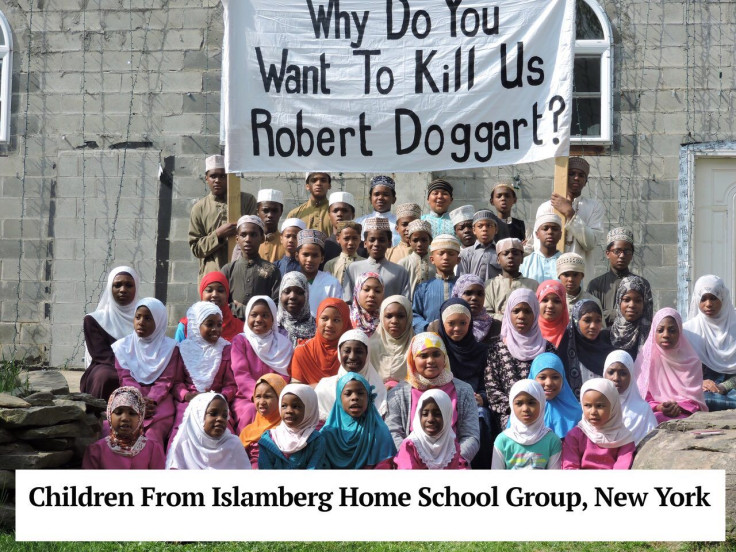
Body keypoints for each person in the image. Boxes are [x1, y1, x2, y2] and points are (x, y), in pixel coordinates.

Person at [385, 332, 480, 462]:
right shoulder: (399, 393)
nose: (430, 361)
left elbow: (471, 435)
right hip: (412, 463)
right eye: (423, 355)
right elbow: (393, 432)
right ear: (413, 359)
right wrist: (413, 459)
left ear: (444, 357)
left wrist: (453, 461)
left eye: (436, 354)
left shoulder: (464, 390)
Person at [484, 289, 555, 432]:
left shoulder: (547, 348)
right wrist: (517, 409)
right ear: (508, 313)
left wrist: (536, 409)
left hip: (544, 412)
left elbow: (554, 385)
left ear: (535, 314)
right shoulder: (497, 349)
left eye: (527, 311)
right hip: (508, 413)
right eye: (516, 311)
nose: (521, 316)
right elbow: (493, 390)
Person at [112, 298, 179, 446]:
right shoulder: (123, 347)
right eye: (138, 317)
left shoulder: (170, 348)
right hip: (131, 395)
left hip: (159, 400)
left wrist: (152, 399)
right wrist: (138, 398)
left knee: (153, 435)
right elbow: (125, 377)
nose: (141, 322)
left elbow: (166, 379)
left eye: (148, 318)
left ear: (159, 321)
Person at [437, 298, 493, 469]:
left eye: (463, 323)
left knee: (481, 417)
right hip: (444, 401)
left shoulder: (482, 351)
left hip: (475, 404)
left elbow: (489, 383)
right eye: (451, 323)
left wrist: (482, 397)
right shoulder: (438, 351)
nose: (457, 328)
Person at [171, 302, 236, 446]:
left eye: (219, 324)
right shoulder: (182, 350)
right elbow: (176, 382)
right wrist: (187, 395)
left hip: (218, 401)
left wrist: (221, 397)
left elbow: (231, 384)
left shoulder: (226, 349)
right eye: (209, 324)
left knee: (225, 434)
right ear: (196, 325)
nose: (215, 329)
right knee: (182, 432)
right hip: (189, 401)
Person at [231, 296, 293, 431]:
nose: (259, 319)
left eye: (265, 315)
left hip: (276, 398)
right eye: (254, 315)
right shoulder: (240, 341)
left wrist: (271, 397)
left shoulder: (283, 344)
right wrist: (257, 396)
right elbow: (241, 374)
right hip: (247, 397)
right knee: (251, 412)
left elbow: (285, 375)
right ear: (247, 317)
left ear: (273, 319)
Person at [188, 154, 256, 278]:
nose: (217, 180)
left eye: (222, 176)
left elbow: (256, 236)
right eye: (213, 176)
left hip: (243, 274)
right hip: (213, 276)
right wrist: (218, 235)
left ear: (229, 177)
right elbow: (196, 248)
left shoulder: (247, 201)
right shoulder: (199, 208)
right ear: (206, 178)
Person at [534, 156, 605, 273]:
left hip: (579, 274)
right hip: (551, 272)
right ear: (564, 177)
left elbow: (590, 243)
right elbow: (539, 246)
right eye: (572, 173)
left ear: (586, 182)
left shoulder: (594, 207)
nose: (576, 178)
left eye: (581, 175)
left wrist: (570, 213)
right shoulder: (546, 207)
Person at [636, 308, 707, 423]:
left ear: (680, 332)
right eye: (660, 330)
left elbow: (696, 401)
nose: (666, 335)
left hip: (685, 413)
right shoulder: (646, 360)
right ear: (653, 331)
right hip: (653, 412)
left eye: (672, 330)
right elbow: (641, 397)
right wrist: (659, 407)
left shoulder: (692, 361)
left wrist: (679, 407)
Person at [81, 266, 140, 401]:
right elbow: (102, 355)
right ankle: (98, 417)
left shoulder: (144, 317)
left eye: (129, 285)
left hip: (141, 365)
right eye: (117, 285)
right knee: (106, 377)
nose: (123, 290)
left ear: (136, 288)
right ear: (110, 288)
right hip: (107, 365)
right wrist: (130, 369)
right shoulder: (94, 320)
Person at [321, 372, 396, 469]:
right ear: (339, 399)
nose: (354, 398)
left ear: (368, 397)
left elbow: (384, 465)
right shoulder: (327, 434)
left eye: (360, 393)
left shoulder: (379, 431)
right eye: (348, 394)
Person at [684, 275, 736, 411]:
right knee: (698, 401)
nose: (708, 304)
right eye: (703, 298)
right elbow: (681, 370)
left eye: (713, 298)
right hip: (703, 388)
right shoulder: (688, 331)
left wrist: (724, 387)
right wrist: (699, 382)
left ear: (723, 298)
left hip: (732, 387)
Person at [82, 386, 165, 469]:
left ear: (141, 417)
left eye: (132, 413)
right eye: (118, 412)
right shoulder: (96, 450)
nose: (125, 418)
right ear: (109, 415)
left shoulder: (153, 449)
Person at [562, 378, 635, 470]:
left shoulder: (623, 438)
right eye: (588, 405)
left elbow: (622, 466)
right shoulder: (575, 435)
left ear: (613, 406)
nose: (593, 412)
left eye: (600, 406)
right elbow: (570, 466)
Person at [166, 393, 252, 470]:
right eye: (213, 413)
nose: (220, 419)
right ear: (198, 417)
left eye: (224, 415)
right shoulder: (183, 445)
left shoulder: (233, 444)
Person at [315, 329, 386, 421]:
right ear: (339, 353)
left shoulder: (377, 388)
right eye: (347, 351)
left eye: (359, 352)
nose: (352, 357)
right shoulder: (324, 388)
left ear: (367, 354)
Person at [221, 215, 281, 320]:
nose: (248, 239)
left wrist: (242, 309)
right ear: (237, 239)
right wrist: (243, 311)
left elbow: (275, 305)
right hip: (233, 329)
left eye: (253, 235)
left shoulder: (272, 270)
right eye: (243, 235)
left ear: (262, 238)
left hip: (261, 328)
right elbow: (221, 303)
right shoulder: (228, 270)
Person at [587, 227, 651, 326]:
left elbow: (646, 315)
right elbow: (591, 315)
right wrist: (620, 313)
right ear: (607, 253)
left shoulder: (642, 284)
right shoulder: (595, 285)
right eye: (617, 251)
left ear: (632, 254)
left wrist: (608, 313)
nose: (622, 256)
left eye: (627, 251)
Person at [491, 380, 562, 470]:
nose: (525, 409)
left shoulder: (552, 441)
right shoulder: (503, 441)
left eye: (531, 403)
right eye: (519, 403)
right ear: (512, 406)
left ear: (541, 403)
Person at [394, 389, 469, 470]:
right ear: (419, 415)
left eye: (437, 414)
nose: (430, 419)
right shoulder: (410, 445)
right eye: (425, 414)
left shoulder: (451, 445)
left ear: (447, 415)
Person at [257, 384, 325, 469]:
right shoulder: (269, 439)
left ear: (309, 409)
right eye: (284, 406)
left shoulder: (316, 440)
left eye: (296, 406)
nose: (289, 411)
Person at [558, 300, 615, 399]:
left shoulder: (608, 348)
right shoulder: (565, 350)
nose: (593, 326)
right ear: (576, 320)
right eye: (587, 320)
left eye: (598, 321)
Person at [344, 217, 410, 302]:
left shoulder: (400, 272)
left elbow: (405, 303)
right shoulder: (353, 268)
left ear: (389, 243)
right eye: (372, 240)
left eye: (381, 240)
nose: (376, 244)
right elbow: (348, 301)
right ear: (365, 243)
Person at [290, 298, 352, 386]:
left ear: (345, 323)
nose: (329, 325)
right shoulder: (303, 352)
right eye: (325, 318)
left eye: (336, 320)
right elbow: (297, 390)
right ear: (317, 320)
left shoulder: (352, 352)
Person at [603, 350, 657, 445]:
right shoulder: (596, 406)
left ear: (631, 376)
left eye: (623, 373)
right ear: (604, 374)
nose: (616, 378)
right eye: (611, 372)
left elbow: (652, 443)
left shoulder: (643, 410)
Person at [174, 271, 244, 343]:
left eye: (220, 290)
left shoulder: (241, 328)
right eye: (209, 290)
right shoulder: (186, 326)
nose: (214, 294)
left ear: (227, 295)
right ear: (202, 293)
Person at [412, 234, 462, 334]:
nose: (446, 257)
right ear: (432, 259)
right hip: (431, 339)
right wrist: (427, 327)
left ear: (458, 260)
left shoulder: (463, 285)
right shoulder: (423, 288)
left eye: (451, 254)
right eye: (441, 253)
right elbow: (414, 314)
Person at [528, 352, 581, 439]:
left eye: (555, 377)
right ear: (533, 378)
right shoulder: (524, 411)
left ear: (563, 378)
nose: (549, 383)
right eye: (542, 377)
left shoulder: (576, 412)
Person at [239, 374, 287, 468]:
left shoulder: (288, 428)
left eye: (267, 396)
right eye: (258, 396)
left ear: (280, 398)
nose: (261, 402)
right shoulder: (247, 431)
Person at [484, 238, 539, 320]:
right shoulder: (489, 285)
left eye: (515, 253)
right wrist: (507, 319)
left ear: (522, 259)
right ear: (498, 260)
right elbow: (486, 313)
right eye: (505, 253)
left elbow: (537, 312)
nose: (510, 256)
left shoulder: (533, 285)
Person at [604, 275, 653, 360]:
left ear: (644, 303)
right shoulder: (605, 336)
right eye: (626, 300)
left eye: (638, 301)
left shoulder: (652, 336)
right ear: (619, 302)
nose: (632, 305)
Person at [370, 296, 414, 388]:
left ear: (409, 318)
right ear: (381, 318)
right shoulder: (369, 347)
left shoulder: (417, 347)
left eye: (400, 316)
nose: (394, 321)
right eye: (389, 316)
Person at [296, 229, 342, 315]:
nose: (309, 260)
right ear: (297, 256)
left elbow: (337, 312)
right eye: (305, 255)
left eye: (315, 255)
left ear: (322, 258)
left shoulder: (332, 283)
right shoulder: (291, 281)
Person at [232, 189, 285, 263]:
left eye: (274, 211)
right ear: (257, 211)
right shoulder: (247, 242)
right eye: (265, 210)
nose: (270, 215)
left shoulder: (286, 242)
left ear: (281, 211)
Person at [447, 274, 501, 343]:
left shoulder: (497, 327)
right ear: (457, 295)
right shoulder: (446, 326)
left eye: (480, 294)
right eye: (468, 293)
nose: (475, 298)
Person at [355, 175, 400, 246]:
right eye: (376, 194)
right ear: (370, 199)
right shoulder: (360, 222)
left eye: (385, 194)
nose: (380, 198)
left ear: (394, 199)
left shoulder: (399, 223)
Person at [458, 210, 500, 282]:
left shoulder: (501, 252)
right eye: (480, 226)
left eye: (489, 226)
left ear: (496, 229)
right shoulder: (465, 254)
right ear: (474, 230)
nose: (484, 229)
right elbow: (462, 281)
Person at [398, 219, 435, 300]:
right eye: (415, 240)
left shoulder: (435, 262)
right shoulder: (403, 263)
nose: (419, 244)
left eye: (424, 240)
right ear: (410, 241)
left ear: (430, 241)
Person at [276, 272, 316, 347]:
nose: (292, 296)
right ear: (280, 295)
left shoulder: (317, 328)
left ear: (306, 295)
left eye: (299, 292)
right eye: (287, 292)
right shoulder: (273, 328)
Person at [521, 213, 563, 282]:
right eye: (545, 228)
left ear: (561, 235)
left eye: (555, 229)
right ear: (537, 234)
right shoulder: (526, 263)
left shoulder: (566, 262)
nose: (550, 232)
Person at [323, 221, 365, 291]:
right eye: (346, 239)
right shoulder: (330, 264)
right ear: (338, 239)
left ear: (360, 239)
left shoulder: (365, 263)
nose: (351, 243)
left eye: (354, 238)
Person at [324, 191, 357, 263]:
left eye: (344, 211)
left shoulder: (361, 246)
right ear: (329, 215)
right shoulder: (324, 246)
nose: (339, 214)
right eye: (335, 211)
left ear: (353, 215)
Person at [349, 272, 384, 337]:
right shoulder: (346, 318)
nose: (372, 295)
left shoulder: (387, 320)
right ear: (357, 291)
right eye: (366, 289)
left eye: (377, 291)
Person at [536, 280, 569, 348]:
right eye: (545, 300)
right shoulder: (528, 332)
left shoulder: (571, 334)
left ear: (563, 305)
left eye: (556, 301)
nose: (550, 305)